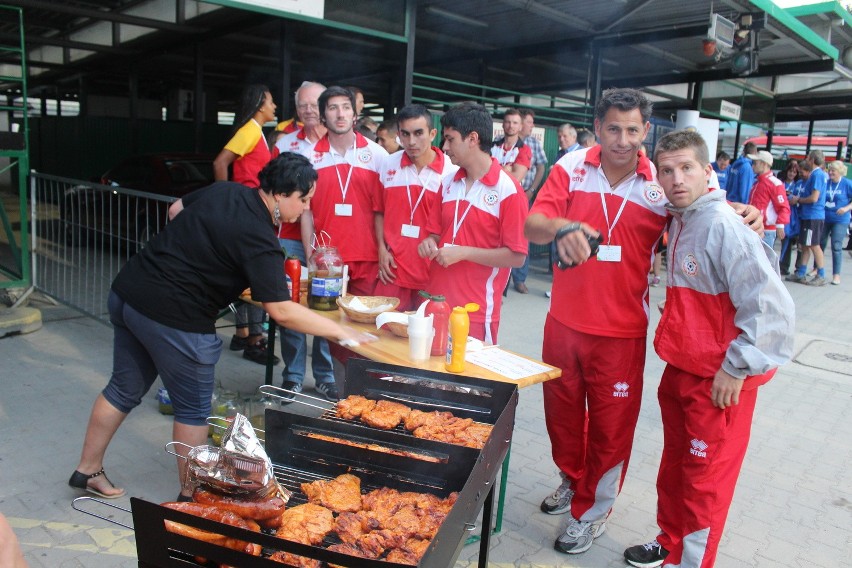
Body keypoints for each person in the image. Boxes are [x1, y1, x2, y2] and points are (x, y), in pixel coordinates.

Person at [524, 88, 763, 556]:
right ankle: (574, 482)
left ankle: (593, 512)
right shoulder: (571, 168)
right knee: (563, 422)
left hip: (621, 334)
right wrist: (562, 229)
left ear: (645, 131)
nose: (622, 139)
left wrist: (746, 213)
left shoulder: (660, 181)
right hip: (563, 325)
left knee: (612, 430)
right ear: (597, 127)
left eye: (633, 130)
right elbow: (533, 223)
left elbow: (708, 204)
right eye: (613, 128)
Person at [69, 154, 370, 500]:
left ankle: (87, 469)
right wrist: (341, 331)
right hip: (177, 315)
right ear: (281, 193)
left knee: (122, 389)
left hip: (131, 291)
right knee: (193, 410)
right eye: (302, 200)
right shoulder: (260, 238)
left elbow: (176, 211)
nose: (304, 209)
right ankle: (191, 499)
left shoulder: (227, 191)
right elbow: (282, 311)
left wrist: (204, 255)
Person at [623, 130, 794, 568]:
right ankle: (670, 543)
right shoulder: (680, 218)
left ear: (707, 171)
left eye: (687, 168)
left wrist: (736, 369)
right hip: (683, 368)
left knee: (705, 483)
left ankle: (690, 562)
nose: (677, 178)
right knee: (676, 469)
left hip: (719, 381)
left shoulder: (721, 224)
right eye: (667, 170)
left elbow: (772, 308)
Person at [417, 101, 528, 344]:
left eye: (450, 139)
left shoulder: (508, 190)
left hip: (475, 314)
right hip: (434, 304)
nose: (444, 147)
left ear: (472, 139)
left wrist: (464, 253)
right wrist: (427, 242)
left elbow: (516, 256)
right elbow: (434, 234)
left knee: (467, 382)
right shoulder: (447, 182)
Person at [272, 81, 335, 401]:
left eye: (314, 104)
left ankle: (325, 376)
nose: (309, 110)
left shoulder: (338, 144)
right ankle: (293, 376)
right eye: (302, 105)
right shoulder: (285, 144)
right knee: (292, 305)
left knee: (326, 308)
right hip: (291, 240)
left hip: (328, 241)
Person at [212, 84, 279, 365]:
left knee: (245, 277)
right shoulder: (250, 130)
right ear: (260, 104)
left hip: (253, 210)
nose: (275, 107)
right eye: (272, 101)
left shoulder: (258, 133)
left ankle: (247, 336)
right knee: (252, 276)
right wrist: (224, 198)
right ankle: (253, 340)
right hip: (247, 210)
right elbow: (220, 162)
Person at [308, 86, 388, 302]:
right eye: (333, 108)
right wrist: (310, 256)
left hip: (368, 258)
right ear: (323, 115)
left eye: (346, 107)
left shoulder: (377, 155)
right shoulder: (309, 157)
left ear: (355, 114)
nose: (340, 114)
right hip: (326, 258)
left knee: (364, 323)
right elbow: (305, 211)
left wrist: (384, 249)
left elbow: (385, 210)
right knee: (326, 323)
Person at [374, 104, 457, 310]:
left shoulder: (450, 171)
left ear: (432, 133)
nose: (411, 142)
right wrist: (381, 251)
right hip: (393, 269)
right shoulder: (388, 164)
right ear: (399, 136)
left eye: (418, 133)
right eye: (405, 134)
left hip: (432, 272)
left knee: (425, 338)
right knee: (383, 333)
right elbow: (378, 211)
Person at [510, 109, 549, 294]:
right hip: (507, 196)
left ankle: (520, 279)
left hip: (525, 195)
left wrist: (532, 190)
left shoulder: (534, 143)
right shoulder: (507, 144)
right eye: (529, 122)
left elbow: (541, 167)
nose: (532, 125)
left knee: (523, 237)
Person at [787, 149, 829, 286]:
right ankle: (801, 273)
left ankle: (821, 274)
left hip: (813, 216)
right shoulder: (816, 175)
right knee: (805, 244)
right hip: (809, 215)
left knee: (814, 245)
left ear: (812, 159)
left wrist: (798, 199)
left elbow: (814, 198)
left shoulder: (817, 175)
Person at [746, 150, 789, 249]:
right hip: (755, 227)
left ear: (764, 164)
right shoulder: (758, 182)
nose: (753, 165)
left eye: (755, 163)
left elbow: (783, 206)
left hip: (766, 230)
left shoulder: (774, 183)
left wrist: (780, 225)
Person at [820, 160, 852, 285]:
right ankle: (817, 268)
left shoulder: (847, 184)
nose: (831, 172)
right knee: (820, 243)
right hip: (825, 218)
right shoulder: (826, 183)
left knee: (836, 246)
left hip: (840, 219)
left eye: (833, 170)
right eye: (830, 170)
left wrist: (846, 208)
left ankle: (836, 275)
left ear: (840, 172)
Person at [490, 108, 530, 183]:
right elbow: (481, 171)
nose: (511, 126)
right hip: (489, 192)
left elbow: (517, 178)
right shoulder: (491, 146)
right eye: (508, 122)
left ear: (520, 127)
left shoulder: (524, 149)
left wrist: (494, 169)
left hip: (511, 193)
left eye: (515, 123)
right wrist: (506, 169)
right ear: (503, 124)